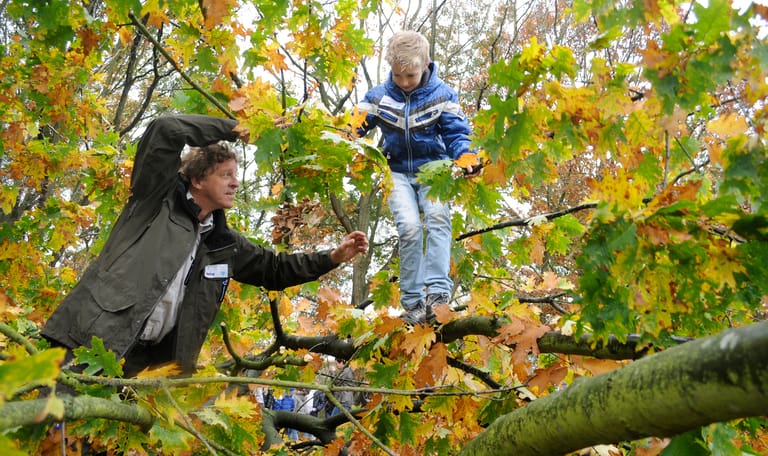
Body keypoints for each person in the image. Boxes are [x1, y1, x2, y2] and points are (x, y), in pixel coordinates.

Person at [41, 114, 369, 378]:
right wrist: (239, 128)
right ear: (197, 180)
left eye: (236, 174)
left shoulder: (221, 242)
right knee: (54, 437)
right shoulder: (154, 200)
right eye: (225, 174)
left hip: (147, 370)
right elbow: (166, 128)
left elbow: (273, 269)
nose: (236, 182)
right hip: (90, 344)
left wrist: (333, 257)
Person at [356, 30, 479, 325]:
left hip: (432, 170)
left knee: (437, 219)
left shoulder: (443, 95)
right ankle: (413, 302)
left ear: (425, 64)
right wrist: (334, 137)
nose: (404, 82)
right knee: (410, 229)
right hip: (396, 171)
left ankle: (437, 293)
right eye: (398, 76)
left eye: (410, 75)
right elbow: (352, 128)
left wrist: (466, 157)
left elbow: (456, 134)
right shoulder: (378, 96)